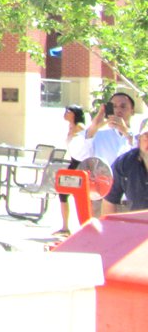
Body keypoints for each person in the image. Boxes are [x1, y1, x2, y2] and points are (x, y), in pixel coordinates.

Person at [55, 104, 89, 237]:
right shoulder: (70, 126)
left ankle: (83, 225)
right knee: (63, 193)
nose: (65, 113)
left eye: (68, 111)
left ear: (74, 114)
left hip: (79, 164)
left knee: (79, 196)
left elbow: (88, 136)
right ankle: (65, 226)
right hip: (72, 162)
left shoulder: (80, 126)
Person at [102, 118, 148, 215]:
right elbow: (109, 200)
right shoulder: (125, 163)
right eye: (147, 136)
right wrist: (111, 224)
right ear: (139, 140)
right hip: (136, 222)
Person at [85, 91, 138, 166]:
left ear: (132, 111)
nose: (118, 110)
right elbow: (79, 154)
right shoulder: (99, 135)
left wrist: (126, 132)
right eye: (114, 106)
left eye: (123, 107)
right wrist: (93, 127)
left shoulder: (140, 135)